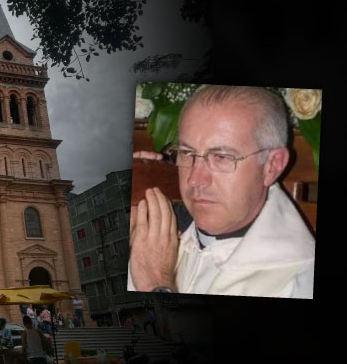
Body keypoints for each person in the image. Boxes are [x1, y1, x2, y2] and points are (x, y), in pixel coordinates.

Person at [128, 85, 315, 299]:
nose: (195, 179)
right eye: (187, 153)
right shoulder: (159, 223)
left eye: (222, 157)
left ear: (271, 166)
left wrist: (155, 284)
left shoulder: (297, 280)